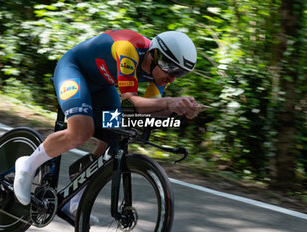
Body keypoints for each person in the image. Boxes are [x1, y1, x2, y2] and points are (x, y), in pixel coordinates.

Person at [13, 29, 201, 211]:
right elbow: (131, 101)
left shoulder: (158, 75)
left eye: (180, 73)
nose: (172, 78)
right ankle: (27, 164)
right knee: (81, 131)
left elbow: (143, 114)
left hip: (103, 86)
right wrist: (168, 102)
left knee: (116, 138)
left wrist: (178, 110)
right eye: (171, 69)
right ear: (154, 55)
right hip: (74, 70)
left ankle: (77, 198)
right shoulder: (129, 49)